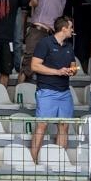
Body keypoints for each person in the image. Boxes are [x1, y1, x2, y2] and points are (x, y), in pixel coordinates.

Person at [29, 15, 77, 163]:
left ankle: (59, 163)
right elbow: (34, 66)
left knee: (64, 126)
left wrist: (72, 70)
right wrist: (57, 72)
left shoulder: (69, 46)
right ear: (64, 28)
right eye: (71, 27)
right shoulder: (45, 43)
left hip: (65, 92)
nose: (72, 30)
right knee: (42, 126)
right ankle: (32, 163)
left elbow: (73, 65)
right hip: (46, 91)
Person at [20, 0, 76, 84]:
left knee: (44, 63)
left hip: (50, 34)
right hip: (38, 30)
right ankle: (19, 90)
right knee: (29, 63)